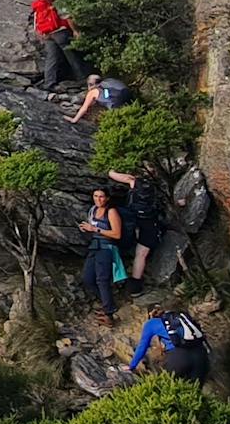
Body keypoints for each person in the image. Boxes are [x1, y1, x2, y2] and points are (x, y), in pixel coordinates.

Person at [107, 165, 165, 293]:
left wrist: (111, 167)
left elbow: (113, 174)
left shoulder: (136, 182)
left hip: (133, 221)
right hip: (150, 223)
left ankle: (121, 279)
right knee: (141, 254)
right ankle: (135, 285)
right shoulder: (160, 186)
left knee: (127, 248)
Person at [127, 305, 211, 384]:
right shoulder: (179, 316)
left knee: (168, 387)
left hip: (179, 357)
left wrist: (131, 366)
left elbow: (142, 347)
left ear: (150, 315)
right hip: (201, 355)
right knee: (195, 392)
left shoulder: (151, 323)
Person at [78, 186, 122, 324]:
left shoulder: (112, 212)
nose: (98, 199)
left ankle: (109, 314)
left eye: (101, 196)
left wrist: (95, 229)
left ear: (107, 198)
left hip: (106, 248)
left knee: (102, 280)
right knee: (87, 278)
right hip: (94, 247)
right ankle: (107, 303)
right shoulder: (93, 210)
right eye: (95, 196)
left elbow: (117, 234)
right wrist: (87, 230)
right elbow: (92, 229)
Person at [30, 0, 87, 91]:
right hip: (61, 32)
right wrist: (75, 30)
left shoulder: (39, 4)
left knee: (52, 59)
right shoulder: (57, 2)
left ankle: (49, 83)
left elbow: (36, 23)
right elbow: (67, 17)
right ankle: (83, 79)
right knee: (72, 55)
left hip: (47, 34)